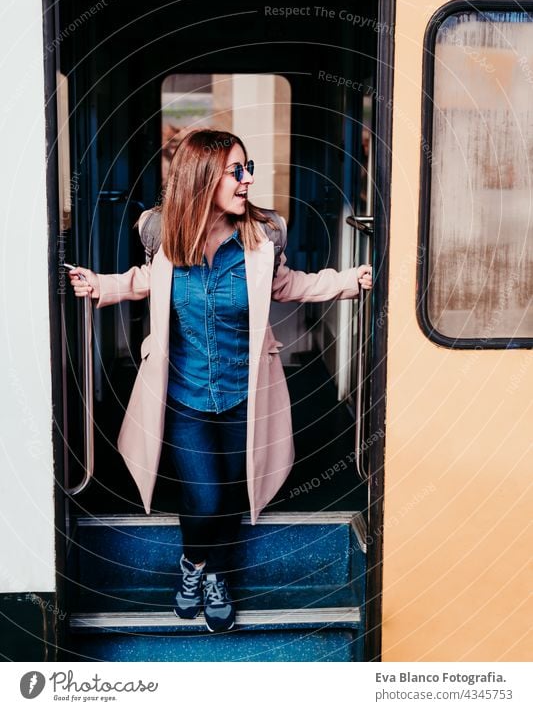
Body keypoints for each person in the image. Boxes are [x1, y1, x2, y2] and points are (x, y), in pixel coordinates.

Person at [68, 128, 373, 633]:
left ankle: (211, 575)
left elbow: (286, 285)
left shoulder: (262, 236)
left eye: (247, 167)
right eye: (237, 170)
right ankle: (195, 568)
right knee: (204, 497)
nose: (248, 179)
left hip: (244, 396)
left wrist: (346, 281)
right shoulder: (162, 233)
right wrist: (101, 286)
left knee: (230, 494)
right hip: (183, 395)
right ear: (204, 177)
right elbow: (148, 279)